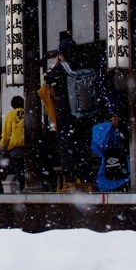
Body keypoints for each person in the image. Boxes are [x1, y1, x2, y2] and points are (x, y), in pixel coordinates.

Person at [43, 34, 95, 192]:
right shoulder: (85, 65)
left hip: (66, 116)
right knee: (83, 149)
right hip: (85, 116)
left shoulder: (62, 68)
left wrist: (55, 65)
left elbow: (46, 79)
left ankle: (70, 182)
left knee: (67, 150)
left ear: (62, 53)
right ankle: (87, 182)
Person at [0, 95, 26, 191]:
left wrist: (2, 144)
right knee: (29, 169)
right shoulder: (29, 113)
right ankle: (30, 185)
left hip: (16, 148)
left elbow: (6, 133)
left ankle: (22, 188)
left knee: (19, 169)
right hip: (29, 147)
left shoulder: (11, 115)